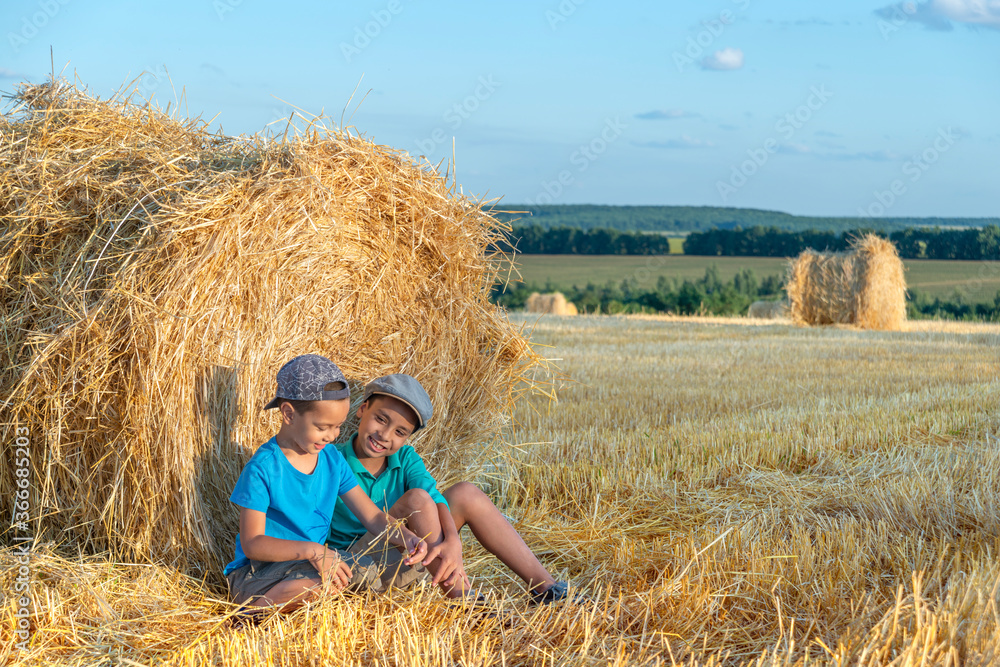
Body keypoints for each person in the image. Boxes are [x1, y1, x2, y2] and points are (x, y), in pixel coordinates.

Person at [327, 373, 578, 603]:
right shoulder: (331, 459)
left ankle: (547, 589)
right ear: (362, 409)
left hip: (410, 557)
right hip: (354, 567)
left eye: (400, 432)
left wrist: (453, 540)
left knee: (464, 493)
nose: (385, 435)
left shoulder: (405, 458)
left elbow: (435, 498)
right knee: (416, 499)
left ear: (407, 437)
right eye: (381, 419)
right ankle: (463, 601)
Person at [223, 355, 428, 611]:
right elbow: (253, 544)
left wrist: (407, 538)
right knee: (326, 583)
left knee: (364, 570)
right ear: (289, 414)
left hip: (306, 565)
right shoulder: (263, 468)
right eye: (322, 427)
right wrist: (313, 551)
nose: (331, 436)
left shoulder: (332, 459)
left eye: (338, 426)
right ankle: (249, 614)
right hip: (256, 576)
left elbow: (373, 517)